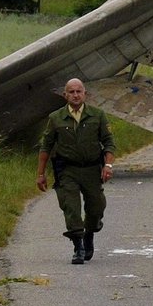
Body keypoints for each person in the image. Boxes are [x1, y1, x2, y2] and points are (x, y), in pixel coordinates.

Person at [36, 78, 115, 264]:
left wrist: (108, 165)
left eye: (79, 91)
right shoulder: (56, 118)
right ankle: (78, 245)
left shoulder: (97, 115)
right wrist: (40, 174)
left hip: (91, 169)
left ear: (85, 94)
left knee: (96, 207)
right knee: (71, 207)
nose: (76, 95)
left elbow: (109, 142)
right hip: (67, 170)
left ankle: (90, 233)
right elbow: (45, 146)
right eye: (71, 92)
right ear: (65, 95)